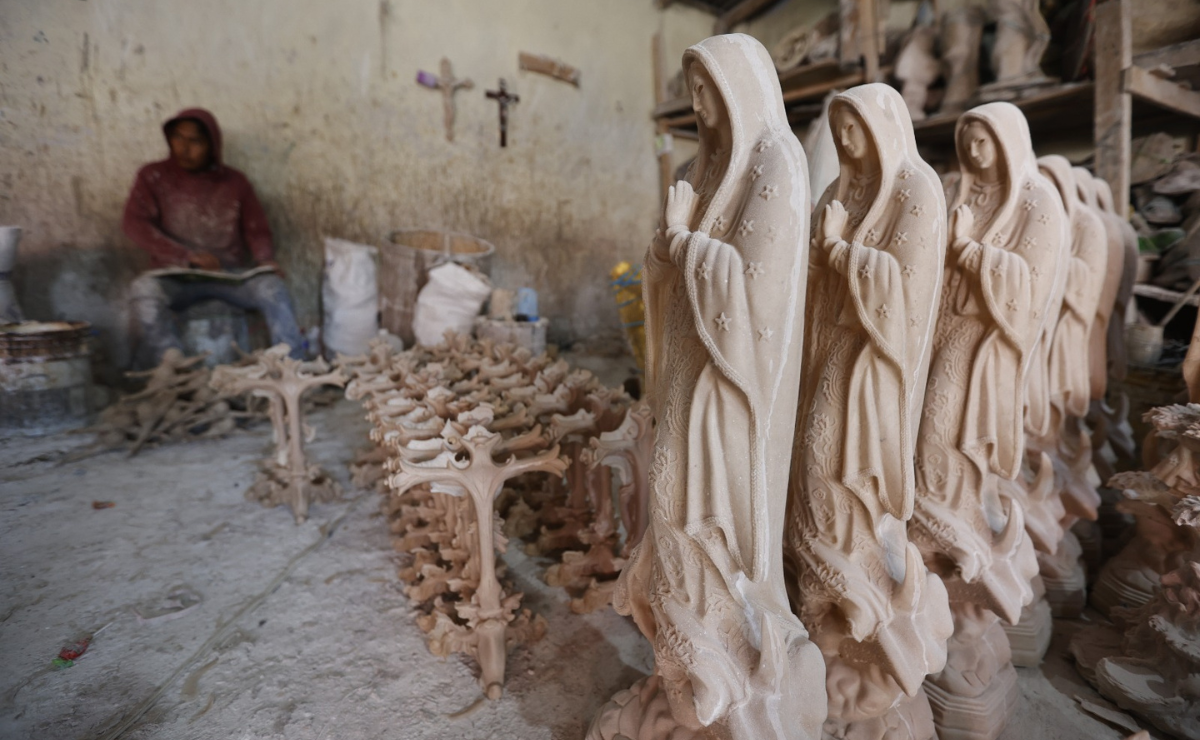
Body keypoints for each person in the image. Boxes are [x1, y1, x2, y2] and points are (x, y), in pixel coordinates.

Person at [124, 108, 303, 364]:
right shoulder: (153, 176)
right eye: (178, 138)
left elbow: (257, 229)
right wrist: (186, 256)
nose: (184, 148)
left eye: (195, 141)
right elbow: (134, 224)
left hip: (227, 276)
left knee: (273, 288)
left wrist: (265, 260)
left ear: (212, 145)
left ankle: (292, 366)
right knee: (143, 290)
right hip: (175, 277)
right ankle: (172, 364)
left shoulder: (235, 182)